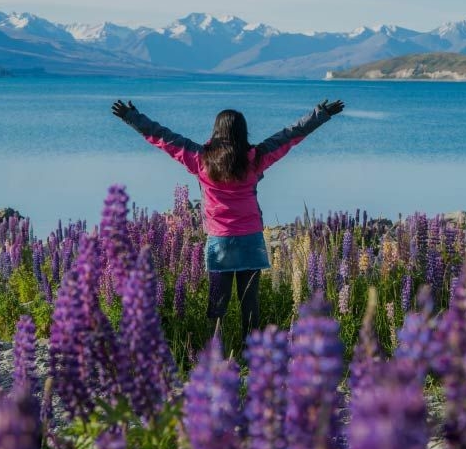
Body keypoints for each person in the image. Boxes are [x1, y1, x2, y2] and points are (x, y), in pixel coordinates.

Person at [111, 97, 345, 331]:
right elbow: (290, 136)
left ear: (216, 130)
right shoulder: (256, 157)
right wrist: (321, 114)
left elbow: (164, 137)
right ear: (243, 131)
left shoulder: (200, 158)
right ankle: (251, 350)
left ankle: (217, 348)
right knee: (249, 302)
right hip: (251, 238)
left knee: (217, 303)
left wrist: (131, 117)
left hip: (220, 239)